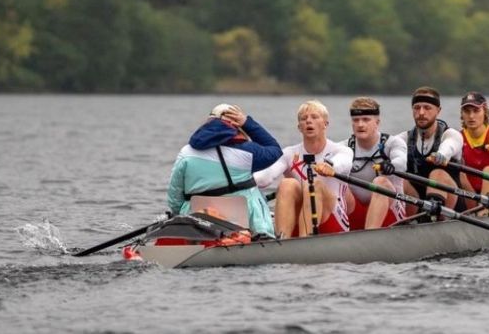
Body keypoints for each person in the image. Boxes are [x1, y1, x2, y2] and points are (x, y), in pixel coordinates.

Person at [166, 103, 283, 237]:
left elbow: (174, 198)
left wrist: (179, 215)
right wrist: (247, 123)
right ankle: (261, 233)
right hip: (245, 223)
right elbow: (274, 149)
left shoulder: (186, 153)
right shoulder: (248, 152)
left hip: (196, 225)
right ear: (235, 126)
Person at [253, 100, 353, 238]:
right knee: (287, 184)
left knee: (314, 184)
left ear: (325, 124)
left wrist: (331, 166)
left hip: (333, 221)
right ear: (299, 127)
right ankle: (282, 239)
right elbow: (265, 178)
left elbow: (344, 162)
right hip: (297, 220)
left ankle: (305, 239)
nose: (308, 121)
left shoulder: (341, 150)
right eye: (303, 119)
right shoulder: (288, 153)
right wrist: (239, 180)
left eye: (314, 117)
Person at [341, 97, 408, 230]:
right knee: (335, 184)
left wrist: (391, 165)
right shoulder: (343, 147)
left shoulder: (393, 143)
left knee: (380, 182)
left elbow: (401, 162)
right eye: (356, 120)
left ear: (377, 122)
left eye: (366, 120)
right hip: (356, 212)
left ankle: (370, 234)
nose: (360, 124)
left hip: (391, 215)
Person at [403, 86, 464, 215]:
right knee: (394, 179)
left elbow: (450, 145)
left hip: (453, 205)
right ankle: (404, 223)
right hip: (416, 202)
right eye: (417, 107)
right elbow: (390, 149)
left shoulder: (451, 135)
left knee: (438, 174)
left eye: (427, 108)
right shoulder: (403, 138)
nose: (421, 113)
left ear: (438, 110)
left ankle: (436, 219)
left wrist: (442, 155)